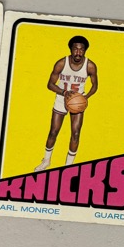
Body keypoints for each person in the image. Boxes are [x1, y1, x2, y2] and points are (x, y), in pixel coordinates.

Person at [33, 35, 99, 172]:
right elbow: (50, 84)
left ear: (85, 50)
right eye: (75, 49)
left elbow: (95, 86)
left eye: (81, 49)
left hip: (78, 102)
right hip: (61, 99)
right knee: (53, 132)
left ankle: (69, 166)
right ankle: (46, 161)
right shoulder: (61, 63)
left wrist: (86, 97)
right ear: (71, 49)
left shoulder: (90, 66)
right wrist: (64, 92)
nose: (78, 52)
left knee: (76, 133)